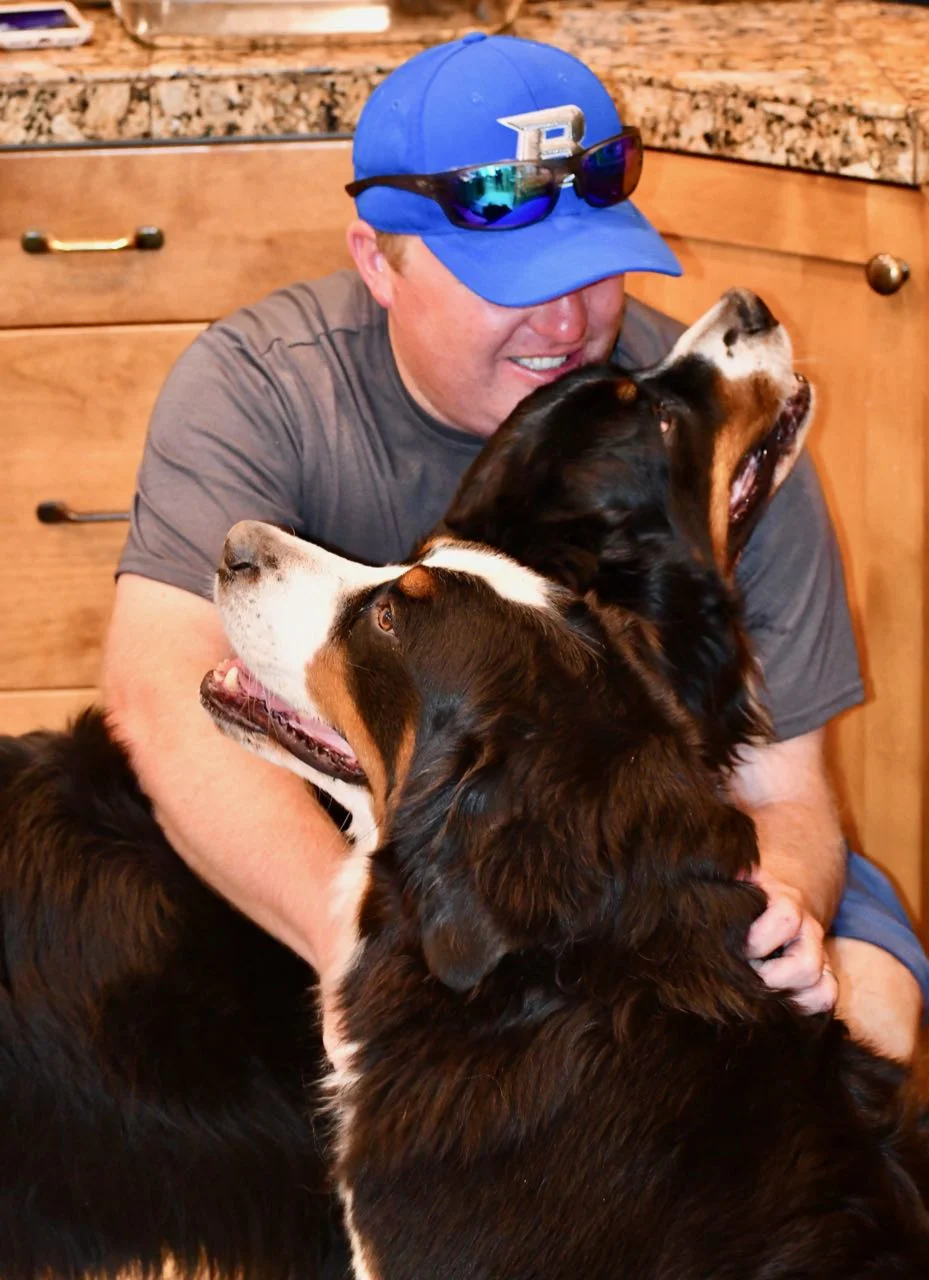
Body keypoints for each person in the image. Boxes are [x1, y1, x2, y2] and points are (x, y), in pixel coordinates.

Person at [102, 31, 927, 1065]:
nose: (568, 322)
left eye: (593, 269)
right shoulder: (263, 388)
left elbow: (785, 793)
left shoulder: (699, 428)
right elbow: (158, 695)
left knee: (869, 1006)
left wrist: (785, 903)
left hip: (648, 863)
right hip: (361, 852)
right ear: (380, 260)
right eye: (514, 280)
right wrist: (350, 943)